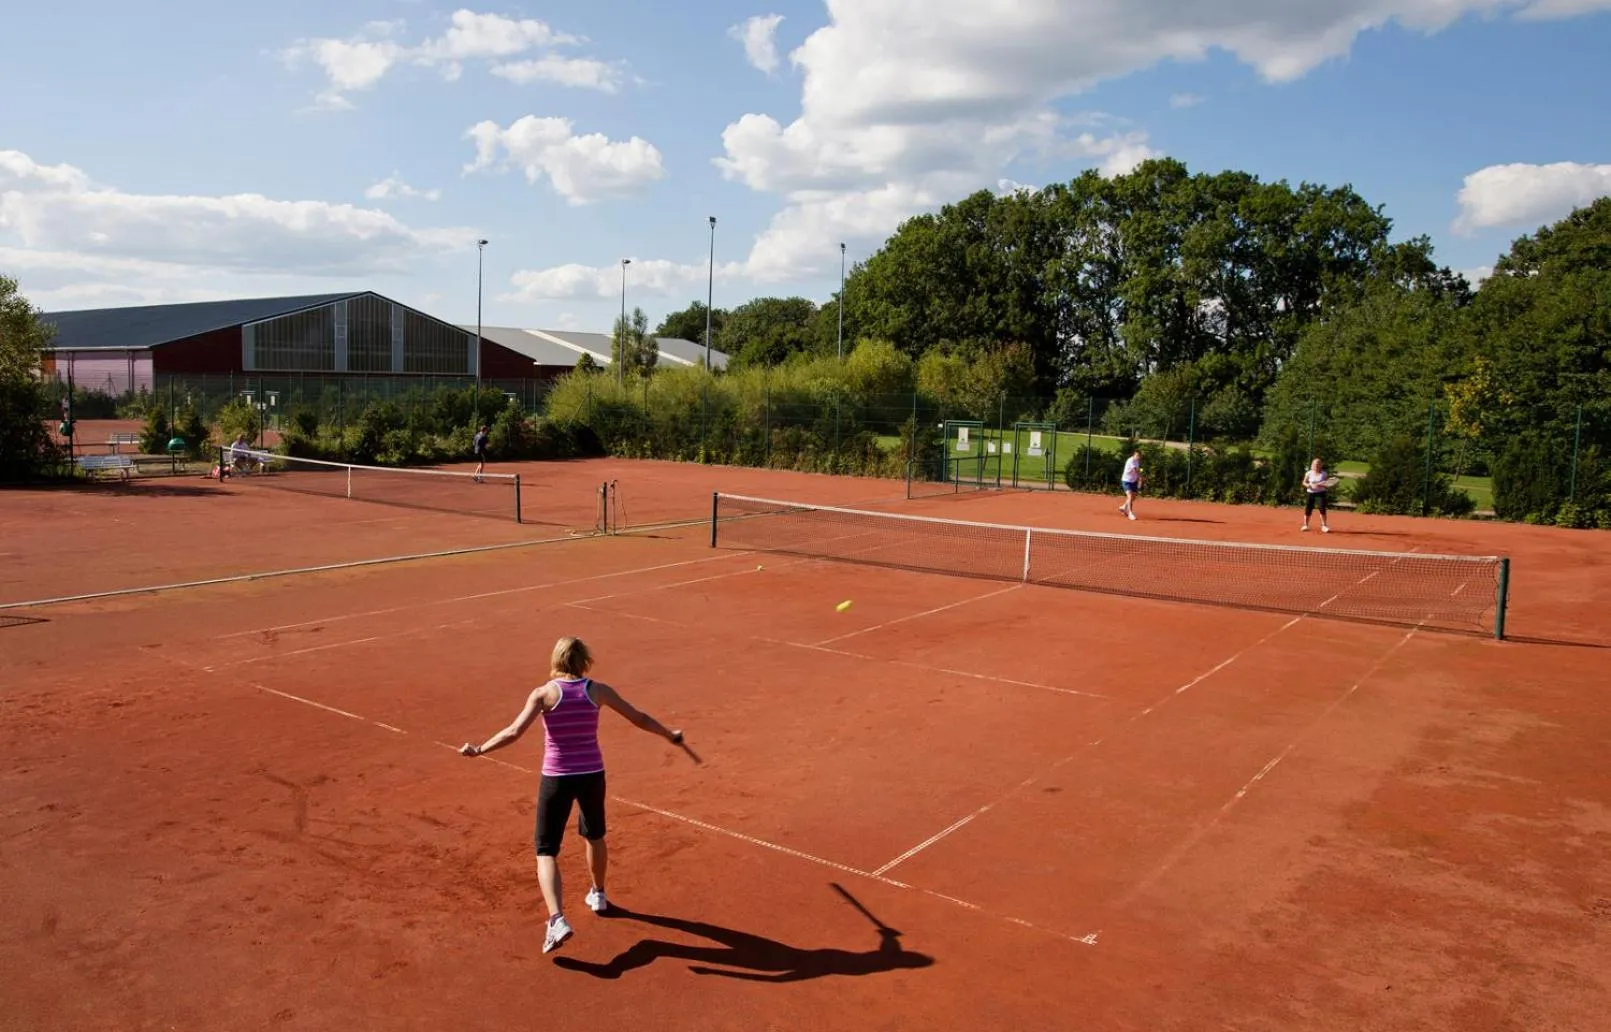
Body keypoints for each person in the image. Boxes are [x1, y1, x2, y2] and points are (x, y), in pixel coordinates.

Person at [460, 637, 685, 955]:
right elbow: (638, 718)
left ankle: (556, 919)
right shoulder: (598, 691)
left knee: (546, 850)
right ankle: (599, 893)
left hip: (557, 778)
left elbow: (513, 732)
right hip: (592, 775)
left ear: (556, 660)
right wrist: (668, 733)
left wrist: (480, 749)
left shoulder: (544, 694)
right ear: (584, 662)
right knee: (595, 836)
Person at [1302, 457, 1332, 533]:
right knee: (1308, 509)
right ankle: (1305, 525)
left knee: (1322, 508)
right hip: (1310, 493)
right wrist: (1309, 485)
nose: (1317, 465)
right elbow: (1304, 482)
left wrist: (1321, 485)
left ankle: (1324, 526)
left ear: (1321, 465)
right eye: (1315, 464)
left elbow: (1327, 484)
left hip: (1321, 493)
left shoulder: (1324, 474)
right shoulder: (1309, 473)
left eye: (1318, 463)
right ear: (1312, 465)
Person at [1119, 449, 1143, 521]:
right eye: (1137, 455)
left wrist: (1138, 479)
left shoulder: (1137, 461)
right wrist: (1140, 477)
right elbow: (1135, 470)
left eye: (1139, 456)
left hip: (1133, 481)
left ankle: (1123, 507)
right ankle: (1130, 513)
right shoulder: (1131, 460)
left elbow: (1138, 471)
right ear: (1134, 455)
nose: (1138, 457)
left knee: (1133, 497)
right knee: (1129, 496)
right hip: (1126, 481)